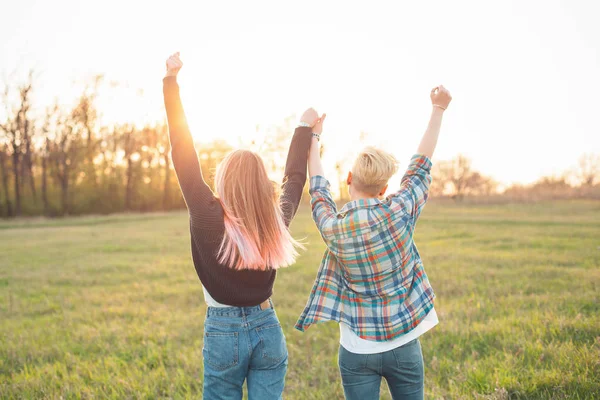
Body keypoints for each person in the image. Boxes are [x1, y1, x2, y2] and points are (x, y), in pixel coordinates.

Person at [162, 52, 321, 400]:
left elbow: (183, 151)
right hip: (268, 327)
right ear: (260, 184)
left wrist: (171, 82)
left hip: (223, 332)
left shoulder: (206, 215)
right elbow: (294, 179)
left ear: (224, 181)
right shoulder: (274, 222)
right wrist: (304, 130)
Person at [295, 86, 452, 400]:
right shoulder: (400, 211)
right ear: (384, 189)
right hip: (404, 346)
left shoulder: (333, 226)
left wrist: (314, 138)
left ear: (350, 179)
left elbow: (318, 189)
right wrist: (438, 109)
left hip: (357, 350)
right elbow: (421, 164)